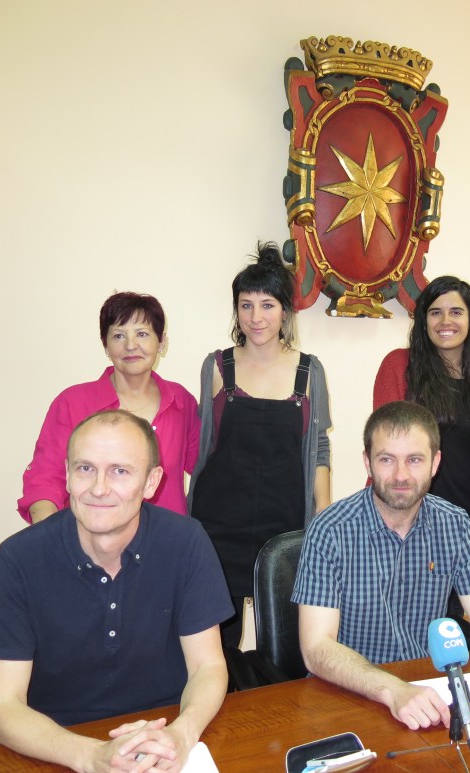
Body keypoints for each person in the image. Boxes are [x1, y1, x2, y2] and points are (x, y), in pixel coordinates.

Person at [0, 410, 232, 772]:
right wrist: (90, 756)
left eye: (120, 471)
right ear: (67, 474)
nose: (99, 488)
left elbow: (207, 666)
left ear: (151, 482)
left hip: (163, 732)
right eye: (85, 468)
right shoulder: (17, 560)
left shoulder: (187, 542)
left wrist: (181, 735)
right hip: (56, 745)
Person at [292, 401, 470, 730]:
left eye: (415, 460)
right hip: (348, 695)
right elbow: (317, 647)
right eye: (386, 459)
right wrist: (392, 690)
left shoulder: (454, 525)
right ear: (367, 462)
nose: (401, 475)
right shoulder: (330, 531)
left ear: (435, 463)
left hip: (427, 693)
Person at [189, 241, 331, 648]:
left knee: (287, 646)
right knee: (216, 646)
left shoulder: (309, 371)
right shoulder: (217, 368)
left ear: (285, 310)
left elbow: (319, 447)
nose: (256, 317)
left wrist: (321, 516)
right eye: (246, 305)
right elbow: (204, 444)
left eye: (267, 305)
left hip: (284, 528)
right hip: (218, 527)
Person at [18, 292, 200, 523]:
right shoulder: (73, 403)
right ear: (105, 345)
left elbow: (208, 473)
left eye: (142, 334)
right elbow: (44, 482)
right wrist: (49, 536)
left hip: (167, 539)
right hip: (90, 539)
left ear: (161, 342)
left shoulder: (181, 402)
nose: (131, 345)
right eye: (119, 336)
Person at [373, 276, 470, 555]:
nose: (445, 321)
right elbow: (384, 452)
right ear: (423, 321)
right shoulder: (398, 367)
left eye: (456, 312)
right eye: (435, 312)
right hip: (410, 528)